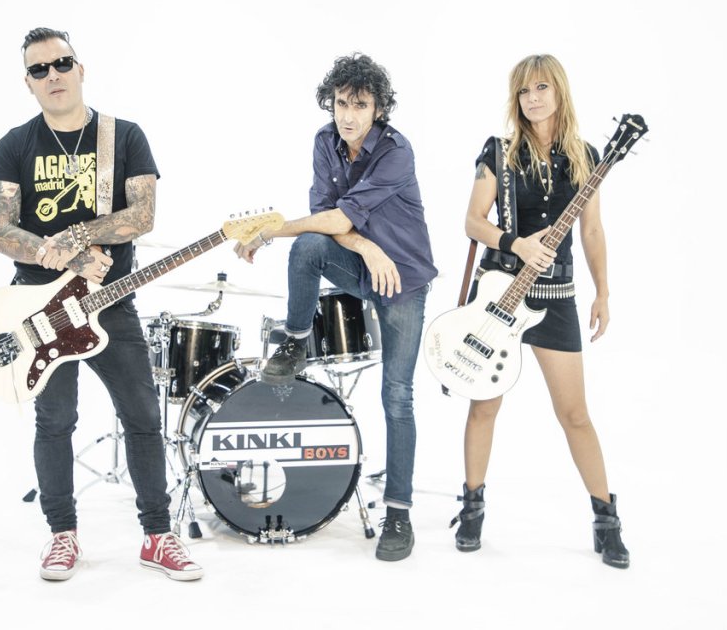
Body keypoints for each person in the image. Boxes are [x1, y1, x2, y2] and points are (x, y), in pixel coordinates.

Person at [0, 27, 202, 582]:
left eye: (61, 63)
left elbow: (142, 215)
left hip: (111, 302)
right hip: (37, 311)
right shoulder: (14, 145)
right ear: (28, 83)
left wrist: (79, 236)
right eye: (39, 69)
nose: (53, 75)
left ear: (81, 69)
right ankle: (62, 535)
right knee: (55, 420)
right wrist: (64, 256)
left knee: (142, 417)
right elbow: (1, 231)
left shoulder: (123, 136)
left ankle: (158, 536)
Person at [235, 53, 437, 562]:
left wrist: (272, 229)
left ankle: (399, 514)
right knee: (308, 248)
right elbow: (328, 219)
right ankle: (295, 343)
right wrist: (367, 248)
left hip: (404, 280)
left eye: (359, 105)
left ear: (378, 109)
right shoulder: (325, 142)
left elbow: (340, 216)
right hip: (363, 264)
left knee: (397, 396)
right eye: (341, 103)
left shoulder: (396, 151)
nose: (347, 115)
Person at [450, 54, 629, 568]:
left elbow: (591, 229)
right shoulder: (498, 152)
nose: (532, 98)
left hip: (556, 298)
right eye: (524, 90)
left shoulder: (586, 155)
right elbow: (473, 221)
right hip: (500, 295)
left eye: (542, 88)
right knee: (484, 407)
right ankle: (472, 507)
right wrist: (516, 243)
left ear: (559, 91)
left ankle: (606, 520)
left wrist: (603, 292)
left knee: (575, 414)